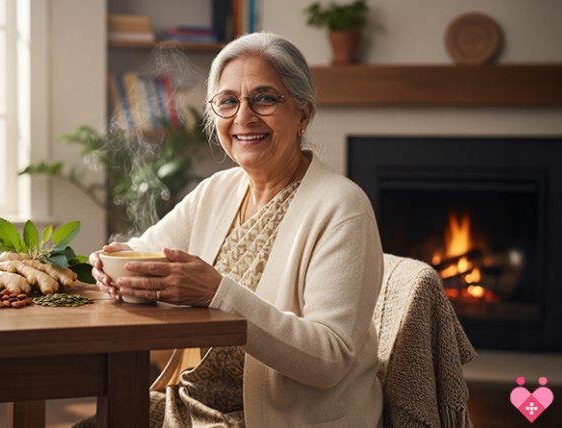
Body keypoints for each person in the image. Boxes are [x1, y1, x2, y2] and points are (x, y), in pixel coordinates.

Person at [87, 32, 383, 428]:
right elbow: (143, 254)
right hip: (193, 406)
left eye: (264, 98)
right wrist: (111, 266)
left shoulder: (342, 207)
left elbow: (329, 360)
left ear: (303, 114)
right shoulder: (217, 190)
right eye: (228, 101)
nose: (243, 117)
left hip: (281, 419)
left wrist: (216, 292)